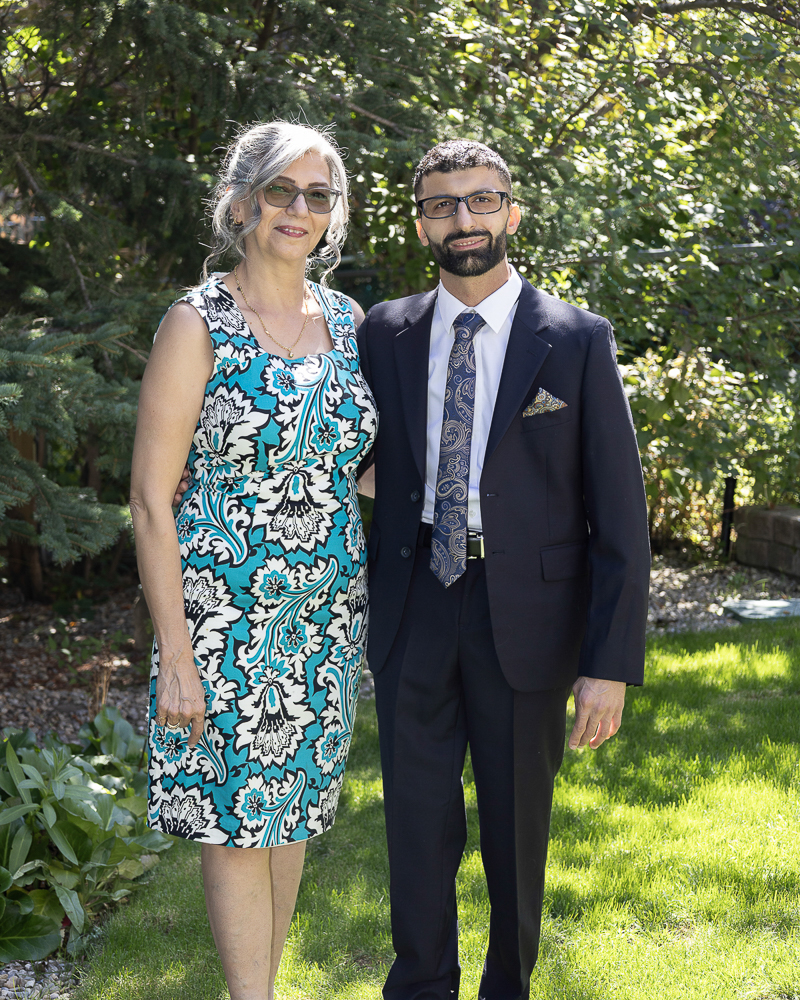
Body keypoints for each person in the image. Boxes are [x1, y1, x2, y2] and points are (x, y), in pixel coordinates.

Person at [356, 140, 650, 1000]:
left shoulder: (576, 340)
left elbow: (620, 514)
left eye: (481, 201)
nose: (464, 220)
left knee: (517, 829)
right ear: (421, 225)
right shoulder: (384, 333)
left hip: (528, 615)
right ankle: (420, 986)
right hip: (414, 599)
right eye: (442, 205)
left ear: (512, 213)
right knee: (416, 821)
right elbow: (359, 453)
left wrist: (608, 664)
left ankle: (507, 989)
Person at [129, 120, 377, 1000]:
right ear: (241, 204)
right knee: (236, 826)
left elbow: (363, 466)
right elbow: (149, 499)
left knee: (292, 819)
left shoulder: (349, 322)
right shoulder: (197, 323)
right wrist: (177, 655)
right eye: (281, 190)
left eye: (318, 194)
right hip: (223, 617)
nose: (298, 208)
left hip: (325, 621)